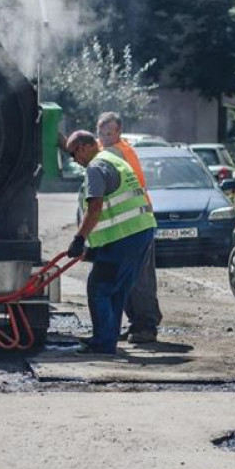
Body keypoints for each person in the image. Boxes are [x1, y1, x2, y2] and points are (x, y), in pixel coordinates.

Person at [65, 130, 158, 355]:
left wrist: (79, 239)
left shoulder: (96, 167)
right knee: (116, 290)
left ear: (85, 147)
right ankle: (106, 339)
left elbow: (95, 207)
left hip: (125, 236)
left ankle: (103, 343)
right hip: (139, 232)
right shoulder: (112, 159)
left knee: (99, 288)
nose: (74, 160)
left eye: (73, 154)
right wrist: (95, 248)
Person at [96, 112, 163, 344]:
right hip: (130, 224)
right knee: (128, 279)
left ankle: (146, 326)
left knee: (140, 280)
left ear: (118, 132)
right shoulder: (112, 148)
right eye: (101, 133)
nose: (103, 138)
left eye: (108, 133)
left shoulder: (116, 153)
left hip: (136, 223)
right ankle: (138, 323)